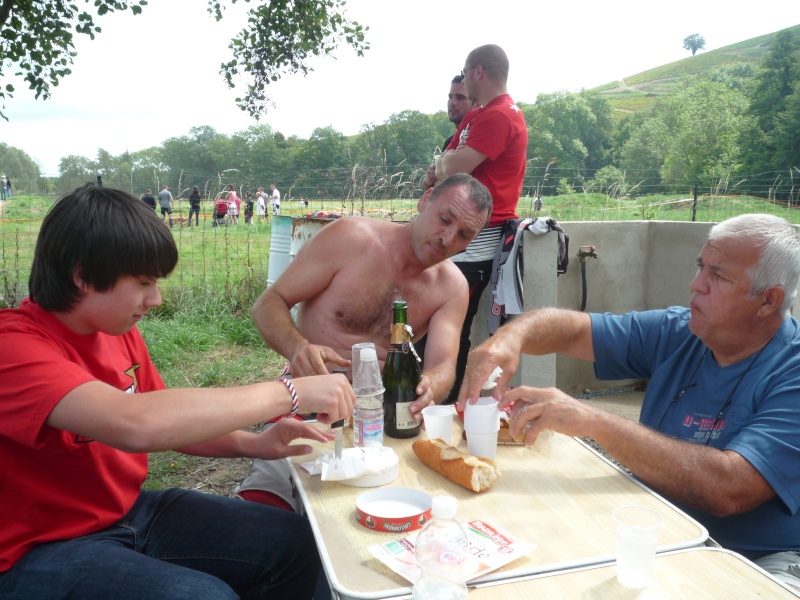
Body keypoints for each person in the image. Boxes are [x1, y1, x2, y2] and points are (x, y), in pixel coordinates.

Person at [0, 183, 354, 600]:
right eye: (144, 282)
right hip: (34, 551)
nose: (156, 299)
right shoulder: (13, 348)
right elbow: (136, 422)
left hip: (127, 512)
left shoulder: (115, 330)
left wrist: (255, 444)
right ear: (82, 277)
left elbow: (171, 422)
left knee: (298, 545)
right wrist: (291, 392)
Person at [458, 213, 800, 589]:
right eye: (700, 267)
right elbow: (572, 331)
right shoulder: (680, 331)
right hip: (655, 531)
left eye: (718, 276)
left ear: (768, 301)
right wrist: (510, 337)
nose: (696, 286)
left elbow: (730, 490)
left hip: (754, 559)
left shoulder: (791, 370)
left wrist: (593, 420)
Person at [237, 173, 493, 510]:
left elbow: (443, 364)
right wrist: (297, 349)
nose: (447, 238)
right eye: (444, 219)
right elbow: (269, 303)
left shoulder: (452, 287)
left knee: (390, 506)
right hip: (310, 402)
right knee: (265, 507)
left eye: (464, 235)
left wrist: (430, 385)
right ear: (425, 199)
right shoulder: (350, 238)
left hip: (383, 416)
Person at [424, 44, 528, 405]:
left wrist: (446, 164)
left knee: (452, 322)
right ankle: (426, 394)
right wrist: (445, 165)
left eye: (466, 72)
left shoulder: (501, 116)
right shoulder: (477, 116)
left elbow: (454, 166)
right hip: (456, 235)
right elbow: (441, 166)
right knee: (430, 316)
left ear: (479, 72)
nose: (465, 79)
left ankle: (442, 400)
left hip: (474, 239)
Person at [421, 73, 476, 191]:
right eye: (450, 97)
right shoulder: (450, 141)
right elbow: (436, 191)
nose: (453, 102)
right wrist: (427, 181)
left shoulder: (475, 143)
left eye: (460, 97)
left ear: (476, 103)